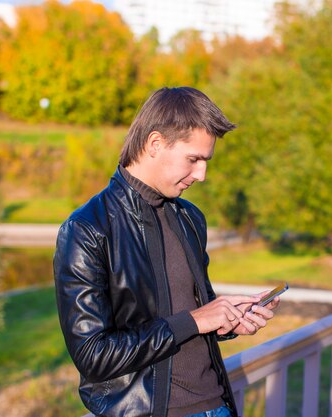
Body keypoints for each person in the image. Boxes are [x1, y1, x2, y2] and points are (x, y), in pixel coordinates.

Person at [54, 87, 280, 417]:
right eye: (194, 159)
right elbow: (94, 356)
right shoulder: (87, 229)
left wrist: (228, 320)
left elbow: (189, 316)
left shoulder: (189, 218)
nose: (202, 175)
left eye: (206, 161)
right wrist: (195, 319)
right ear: (155, 143)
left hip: (218, 406)